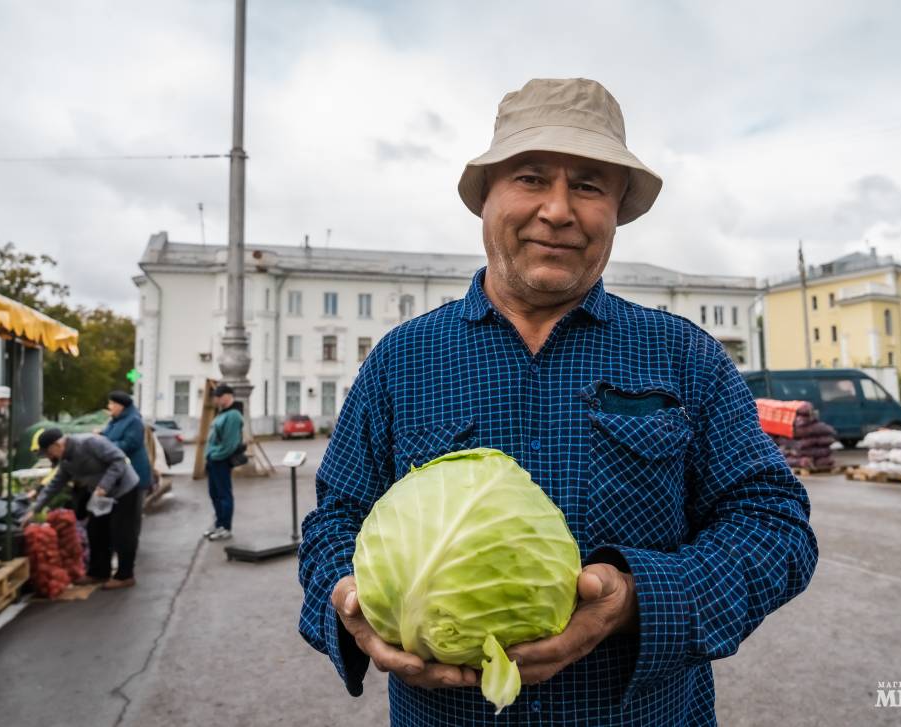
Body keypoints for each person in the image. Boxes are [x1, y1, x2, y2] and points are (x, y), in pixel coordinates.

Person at [297, 78, 818, 726]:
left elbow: (775, 525)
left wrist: (635, 598)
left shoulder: (684, 357)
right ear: (485, 198)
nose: (559, 209)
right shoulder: (403, 361)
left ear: (617, 209)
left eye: (590, 185)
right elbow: (334, 520)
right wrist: (349, 599)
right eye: (532, 177)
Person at [24, 429, 141, 589]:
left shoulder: (90, 443)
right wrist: (36, 509)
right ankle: (98, 572)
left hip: (124, 489)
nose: (49, 457)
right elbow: (55, 484)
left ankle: (125, 576)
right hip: (100, 496)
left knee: (122, 533)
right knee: (96, 531)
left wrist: (104, 486)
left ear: (57, 445)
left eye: (49, 452)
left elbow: (119, 460)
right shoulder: (65, 461)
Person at [101, 390, 152, 528]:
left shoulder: (134, 421)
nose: (109, 406)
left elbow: (129, 444)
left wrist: (105, 446)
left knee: (133, 514)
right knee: (122, 515)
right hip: (121, 474)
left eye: (112, 403)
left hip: (135, 473)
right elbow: (108, 436)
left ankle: (130, 545)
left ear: (120, 406)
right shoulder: (115, 421)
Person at [203, 383, 243, 541]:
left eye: (219, 396)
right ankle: (219, 522)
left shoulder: (233, 415)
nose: (217, 399)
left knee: (223, 494)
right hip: (214, 459)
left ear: (227, 396)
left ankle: (225, 527)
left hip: (221, 460)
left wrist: (216, 455)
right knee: (214, 493)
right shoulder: (223, 413)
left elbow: (230, 443)